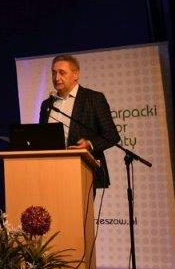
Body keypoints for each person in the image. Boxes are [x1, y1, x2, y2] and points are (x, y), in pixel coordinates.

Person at [38, 54, 120, 189]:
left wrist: (89, 144)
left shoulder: (93, 98)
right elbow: (42, 137)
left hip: (83, 169)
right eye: (54, 73)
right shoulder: (47, 104)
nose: (56, 78)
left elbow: (112, 135)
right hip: (51, 170)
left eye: (62, 73)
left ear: (75, 75)